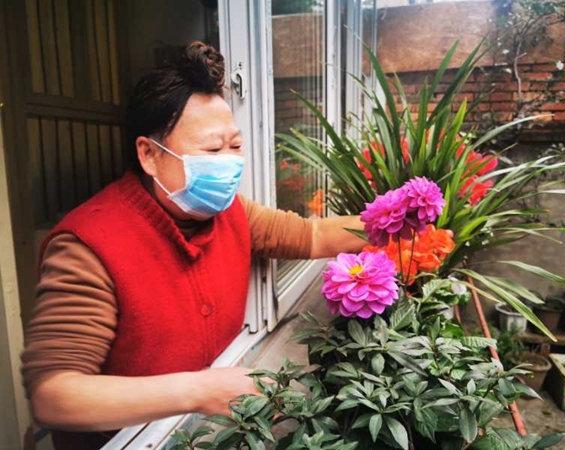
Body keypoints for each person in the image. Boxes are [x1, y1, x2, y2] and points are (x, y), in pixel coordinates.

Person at [20, 41, 366, 450]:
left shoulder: (231, 214)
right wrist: (200, 391)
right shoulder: (88, 247)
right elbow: (54, 396)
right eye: (212, 150)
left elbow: (312, 236)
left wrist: (390, 220)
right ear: (149, 155)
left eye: (235, 146)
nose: (229, 162)